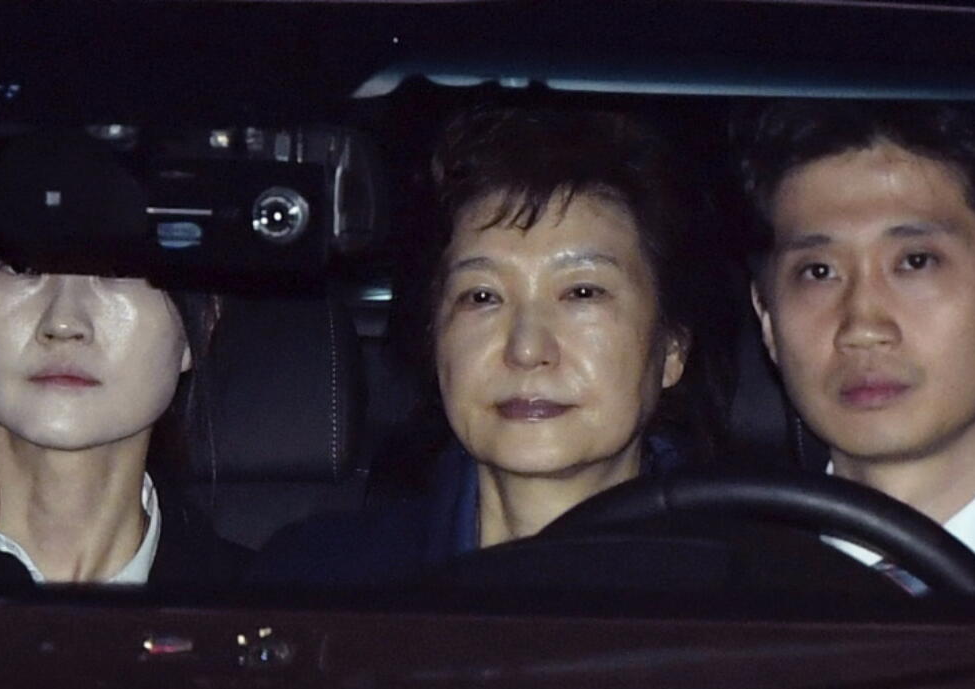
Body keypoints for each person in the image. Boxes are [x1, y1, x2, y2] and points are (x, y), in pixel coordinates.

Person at [254, 105, 728, 584]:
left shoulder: (755, 590)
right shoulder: (318, 582)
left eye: (582, 293)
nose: (525, 349)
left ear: (671, 349)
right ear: (436, 338)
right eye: (482, 297)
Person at [734, 98, 975, 589]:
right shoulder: (696, 596)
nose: (862, 326)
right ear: (767, 319)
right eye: (819, 272)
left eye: (916, 262)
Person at [0, 161, 246, 585]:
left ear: (199, 329)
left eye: (118, 271)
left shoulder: (276, 612)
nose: (64, 323)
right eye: (23, 268)